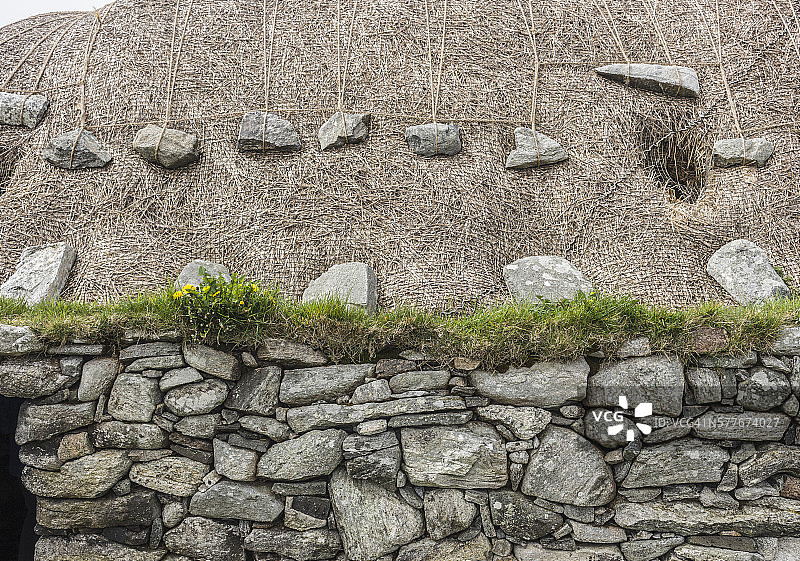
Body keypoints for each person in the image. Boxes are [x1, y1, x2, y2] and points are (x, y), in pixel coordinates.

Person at [0, 397, 35, 561]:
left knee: (34, 515)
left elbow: (5, 424)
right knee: (35, 516)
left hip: (23, 459)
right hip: (33, 459)